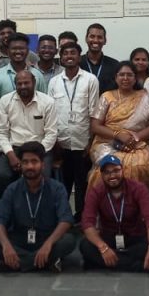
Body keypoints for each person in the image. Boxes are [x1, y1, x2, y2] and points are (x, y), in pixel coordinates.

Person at [0, 142, 76, 273]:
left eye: (34, 161)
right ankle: (44, 262)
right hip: (19, 239)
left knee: (69, 241)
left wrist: (48, 245)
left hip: (46, 238)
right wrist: (6, 246)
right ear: (20, 164)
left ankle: (11, 264)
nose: (30, 166)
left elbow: (66, 220)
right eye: (25, 162)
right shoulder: (12, 189)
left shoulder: (56, 188)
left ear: (43, 164)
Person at [79, 155, 149, 273]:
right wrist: (103, 248)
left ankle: (104, 264)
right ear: (102, 175)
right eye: (107, 172)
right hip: (109, 239)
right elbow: (87, 223)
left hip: (135, 237)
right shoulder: (96, 191)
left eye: (116, 171)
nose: (112, 176)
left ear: (123, 170)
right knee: (85, 246)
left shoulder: (138, 188)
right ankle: (138, 266)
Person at [87, 61, 149, 190]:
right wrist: (118, 135)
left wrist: (135, 138)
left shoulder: (144, 97)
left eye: (129, 75)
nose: (125, 78)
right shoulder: (107, 97)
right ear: (116, 77)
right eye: (121, 75)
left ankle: (137, 200)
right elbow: (95, 126)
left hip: (138, 143)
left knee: (141, 165)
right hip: (107, 142)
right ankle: (106, 201)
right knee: (110, 166)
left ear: (135, 78)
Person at [48, 42, 99, 220]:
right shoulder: (54, 82)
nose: (69, 56)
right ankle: (64, 218)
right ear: (61, 57)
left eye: (73, 53)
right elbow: (50, 113)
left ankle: (81, 219)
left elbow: (94, 112)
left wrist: (91, 142)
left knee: (82, 182)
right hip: (61, 142)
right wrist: (54, 142)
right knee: (63, 184)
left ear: (79, 56)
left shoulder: (90, 80)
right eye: (65, 53)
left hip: (82, 141)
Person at [0, 70, 57, 198]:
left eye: (26, 83)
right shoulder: (5, 101)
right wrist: (10, 155)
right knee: (1, 175)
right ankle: (8, 207)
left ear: (34, 82)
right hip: (14, 149)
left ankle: (39, 208)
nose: (23, 86)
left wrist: (35, 155)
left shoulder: (48, 102)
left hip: (40, 149)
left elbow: (51, 133)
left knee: (43, 176)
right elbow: (2, 133)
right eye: (19, 83)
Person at [81, 23, 120, 93]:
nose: (96, 40)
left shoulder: (115, 65)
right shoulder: (78, 63)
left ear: (105, 41)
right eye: (92, 36)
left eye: (99, 37)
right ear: (86, 39)